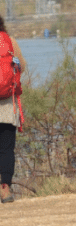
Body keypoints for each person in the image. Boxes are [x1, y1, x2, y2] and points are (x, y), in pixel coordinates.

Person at [0, 17, 25, 204]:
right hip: (7, 105)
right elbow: (21, 67)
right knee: (7, 149)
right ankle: (5, 190)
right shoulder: (9, 41)